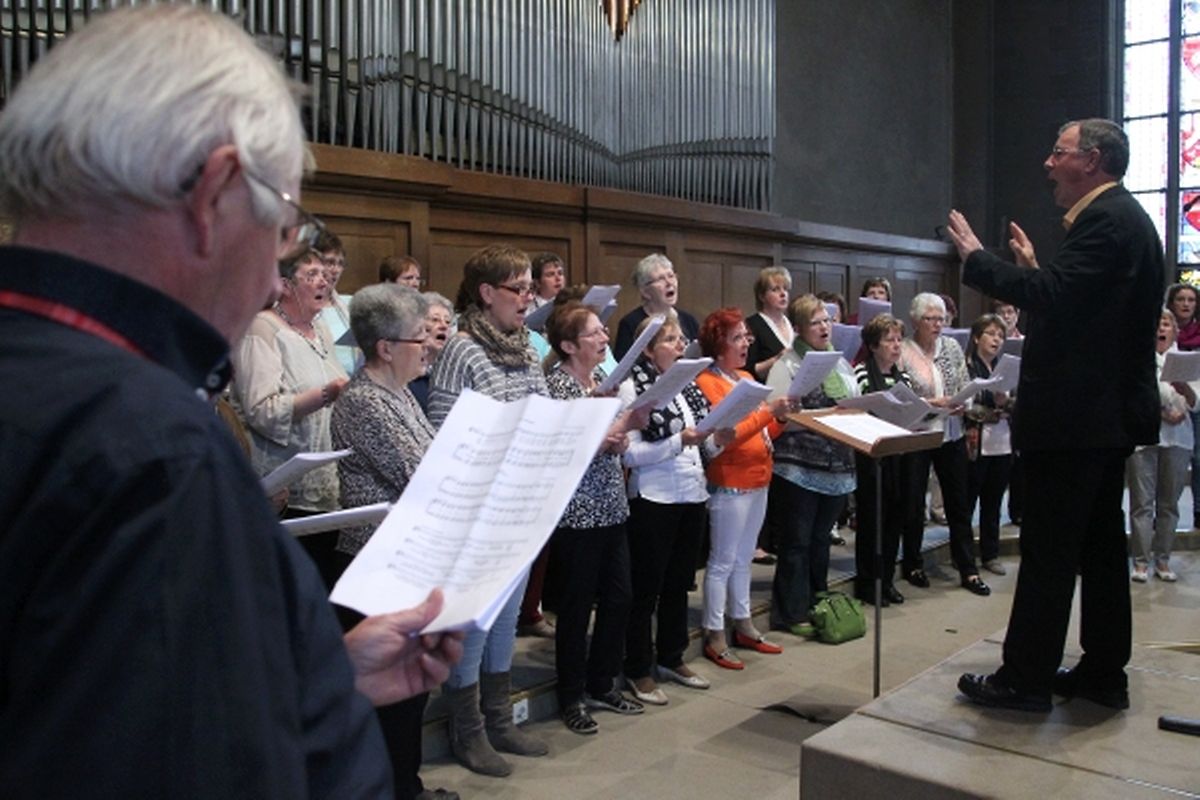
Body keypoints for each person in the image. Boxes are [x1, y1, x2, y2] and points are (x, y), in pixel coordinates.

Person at [0, 5, 461, 796]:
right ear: (215, 191)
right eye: (283, 229)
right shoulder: (154, 449)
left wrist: (320, 682)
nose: (271, 277)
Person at [948, 117, 1163, 712]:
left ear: (1091, 160)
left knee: (1047, 552)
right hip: (1101, 420)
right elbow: (1080, 310)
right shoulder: (1126, 220)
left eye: (1059, 151)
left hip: (1077, 421)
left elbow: (1053, 300)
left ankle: (1025, 679)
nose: (1048, 162)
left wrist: (979, 259)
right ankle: (1101, 674)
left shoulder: (1106, 220)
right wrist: (1039, 267)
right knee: (1097, 550)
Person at [328, 285, 459, 800]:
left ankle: (408, 784)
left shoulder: (400, 393)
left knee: (410, 698)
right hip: (372, 563)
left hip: (406, 559)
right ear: (385, 347)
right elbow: (422, 471)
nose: (429, 347)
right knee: (390, 703)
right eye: (419, 338)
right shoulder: (362, 401)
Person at [427, 244, 549, 777]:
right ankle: (467, 727)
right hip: (478, 502)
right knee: (476, 616)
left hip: (520, 496)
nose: (528, 298)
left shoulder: (524, 346)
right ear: (486, 293)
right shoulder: (462, 347)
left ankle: (499, 719)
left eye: (528, 288)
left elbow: (542, 405)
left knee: (505, 615)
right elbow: (443, 427)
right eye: (518, 289)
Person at [543, 301, 648, 734]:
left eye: (604, 331)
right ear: (569, 345)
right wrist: (610, 434)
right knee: (574, 607)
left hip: (611, 504)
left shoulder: (603, 381)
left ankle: (602, 681)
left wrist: (622, 437)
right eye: (594, 334)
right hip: (576, 512)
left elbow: (611, 441)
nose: (605, 338)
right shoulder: (558, 387)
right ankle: (571, 696)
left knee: (620, 597)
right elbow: (565, 446)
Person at [619, 314, 732, 703]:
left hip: (691, 493)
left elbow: (702, 446)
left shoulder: (689, 388)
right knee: (645, 588)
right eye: (669, 339)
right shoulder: (633, 387)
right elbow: (630, 454)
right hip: (654, 497)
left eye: (681, 338)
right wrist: (678, 441)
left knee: (679, 584)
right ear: (648, 349)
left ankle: (671, 656)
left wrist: (720, 439)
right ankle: (637, 667)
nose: (680, 344)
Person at [230, 249, 350, 585]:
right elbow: (261, 409)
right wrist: (325, 394)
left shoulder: (321, 331)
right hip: (285, 492)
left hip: (328, 487)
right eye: (311, 275)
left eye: (325, 274)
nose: (323, 280)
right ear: (284, 285)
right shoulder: (261, 328)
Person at [695, 308, 790, 670]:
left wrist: (777, 418)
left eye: (746, 337)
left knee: (743, 558)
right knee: (721, 562)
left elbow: (762, 432)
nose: (746, 343)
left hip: (759, 477)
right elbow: (729, 436)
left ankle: (744, 622)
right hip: (730, 479)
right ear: (719, 345)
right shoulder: (708, 381)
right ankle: (714, 632)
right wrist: (768, 412)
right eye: (737, 338)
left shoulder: (742, 378)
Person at [765, 295, 859, 635]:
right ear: (800, 329)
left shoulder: (840, 363)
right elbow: (774, 417)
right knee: (797, 542)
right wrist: (812, 417)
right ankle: (790, 613)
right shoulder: (787, 365)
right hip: (798, 467)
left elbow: (852, 398)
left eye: (827, 321)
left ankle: (819, 602)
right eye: (816, 322)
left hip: (836, 467)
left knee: (820, 540)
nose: (824, 327)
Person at [898, 293, 991, 597]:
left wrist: (964, 402)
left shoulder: (951, 346)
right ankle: (912, 563)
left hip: (951, 431)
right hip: (919, 434)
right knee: (913, 502)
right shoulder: (904, 351)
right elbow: (903, 398)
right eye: (931, 319)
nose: (938, 324)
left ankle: (967, 567)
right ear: (915, 320)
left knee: (958, 502)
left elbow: (964, 384)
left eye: (941, 319)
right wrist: (930, 403)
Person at [1124, 310, 1196, 582]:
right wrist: (1160, 412)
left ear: (1175, 331)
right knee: (1142, 504)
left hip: (1179, 439)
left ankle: (1163, 560)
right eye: (1156, 324)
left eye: (1166, 323)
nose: (1161, 328)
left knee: (1169, 505)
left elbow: (1196, 401)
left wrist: (1186, 391)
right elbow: (1130, 394)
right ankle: (1140, 561)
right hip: (1145, 439)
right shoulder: (1137, 360)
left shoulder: (1187, 361)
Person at [851, 313, 912, 606]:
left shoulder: (905, 377)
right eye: (889, 340)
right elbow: (862, 409)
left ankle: (887, 580)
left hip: (898, 454)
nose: (896, 345)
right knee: (872, 521)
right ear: (874, 345)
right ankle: (868, 582)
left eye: (899, 339)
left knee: (894, 520)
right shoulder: (862, 372)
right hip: (872, 455)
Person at [963, 314, 1014, 577]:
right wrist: (993, 411)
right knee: (969, 500)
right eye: (991, 334)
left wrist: (1006, 402)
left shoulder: (1005, 368)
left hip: (1002, 443)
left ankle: (990, 553)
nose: (996, 340)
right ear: (976, 337)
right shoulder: (968, 367)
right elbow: (965, 407)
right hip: (976, 444)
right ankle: (965, 555)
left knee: (993, 502)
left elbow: (1016, 405)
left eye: (1000, 336)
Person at [613, 253, 701, 359]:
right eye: (660, 279)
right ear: (645, 292)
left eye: (671, 276)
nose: (669, 283)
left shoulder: (689, 320)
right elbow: (624, 365)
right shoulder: (630, 323)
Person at [1165, 282, 1200, 528]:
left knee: (1199, 459)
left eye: (1191, 300)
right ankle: (1163, 515)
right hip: (1169, 404)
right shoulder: (1162, 332)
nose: (1186, 304)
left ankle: (1199, 510)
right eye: (1181, 299)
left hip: (1196, 399)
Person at [317, 229, 361, 375]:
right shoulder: (300, 309)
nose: (335, 270)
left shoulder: (352, 304)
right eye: (329, 262)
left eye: (340, 263)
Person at [745, 266, 794, 382]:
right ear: (762, 296)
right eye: (775, 289)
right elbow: (747, 369)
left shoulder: (792, 323)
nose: (783, 294)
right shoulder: (751, 325)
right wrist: (776, 360)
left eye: (785, 289)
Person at [408, 290, 454, 412]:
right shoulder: (405, 373)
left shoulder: (451, 373)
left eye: (448, 322)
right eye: (435, 320)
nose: (444, 326)